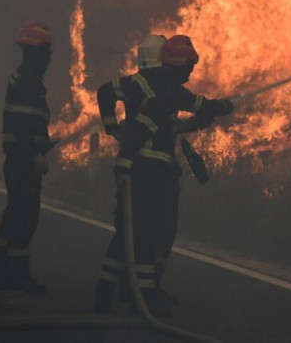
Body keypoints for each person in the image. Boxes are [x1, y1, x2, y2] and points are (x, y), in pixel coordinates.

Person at [93, 35, 234, 315]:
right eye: (189, 65)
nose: (192, 71)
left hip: (136, 167)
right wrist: (223, 107)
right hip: (153, 172)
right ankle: (144, 295)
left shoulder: (141, 84)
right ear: (174, 63)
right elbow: (194, 106)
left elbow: (162, 125)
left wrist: (113, 130)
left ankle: (106, 293)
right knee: (155, 232)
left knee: (127, 232)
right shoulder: (167, 90)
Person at [0, 21, 56, 294]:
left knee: (14, 213)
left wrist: (42, 143)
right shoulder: (28, 80)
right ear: (37, 52)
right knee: (26, 217)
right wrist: (36, 152)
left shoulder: (22, 76)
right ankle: (17, 277)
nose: (50, 58)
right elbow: (26, 122)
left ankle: (0, 272)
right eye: (47, 52)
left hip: (17, 157)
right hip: (24, 160)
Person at [97, 34, 166, 141]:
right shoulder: (167, 84)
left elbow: (105, 92)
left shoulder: (131, 82)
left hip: (131, 149)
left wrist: (112, 128)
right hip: (156, 148)